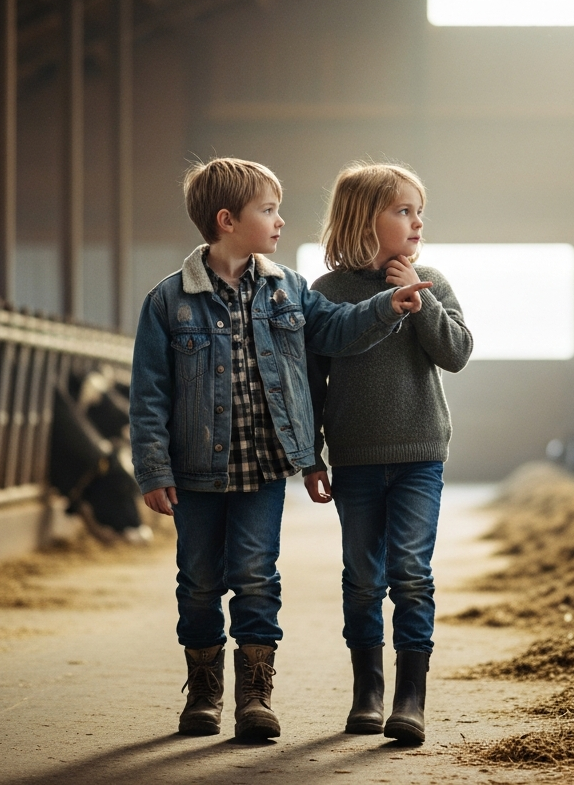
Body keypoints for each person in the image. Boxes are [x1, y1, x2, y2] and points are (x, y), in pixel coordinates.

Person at [128, 157, 432, 740]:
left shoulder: (287, 288)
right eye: (268, 210)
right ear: (227, 220)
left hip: (264, 466)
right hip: (195, 470)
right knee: (198, 581)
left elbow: (336, 328)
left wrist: (385, 306)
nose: (280, 220)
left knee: (256, 577)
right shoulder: (168, 302)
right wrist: (153, 468)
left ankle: (254, 698)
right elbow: (149, 393)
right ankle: (205, 693)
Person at [303, 162, 473, 745]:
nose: (417, 221)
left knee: (411, 573)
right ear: (363, 219)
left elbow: (456, 354)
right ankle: (367, 693)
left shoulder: (432, 282)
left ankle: (410, 699)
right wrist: (312, 455)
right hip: (355, 456)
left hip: (420, 454)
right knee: (361, 577)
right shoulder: (327, 293)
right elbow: (312, 378)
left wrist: (421, 302)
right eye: (403, 211)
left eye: (419, 211)